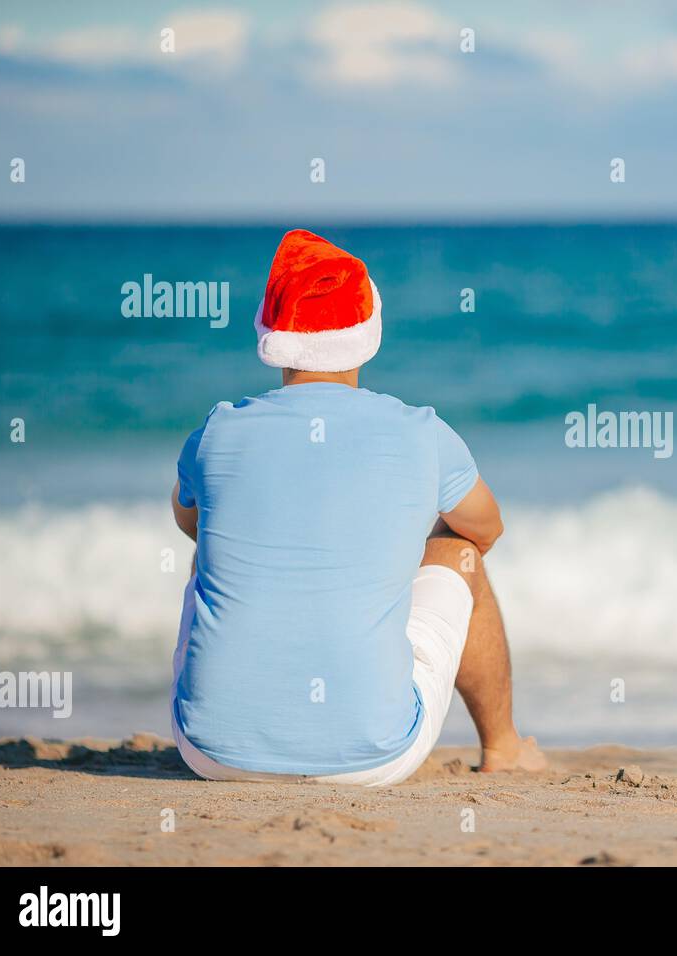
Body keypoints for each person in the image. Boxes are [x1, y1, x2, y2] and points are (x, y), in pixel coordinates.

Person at [168, 228, 545, 785]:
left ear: (270, 331)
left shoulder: (217, 430)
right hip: (375, 756)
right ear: (368, 332)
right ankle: (505, 749)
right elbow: (486, 529)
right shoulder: (422, 433)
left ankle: (240, 717)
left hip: (208, 754)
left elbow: (191, 525)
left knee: (210, 558)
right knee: (461, 552)